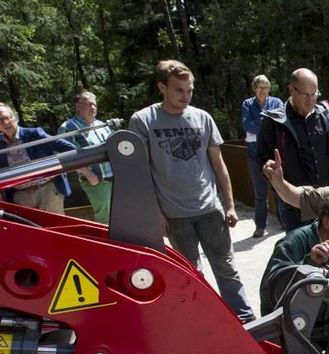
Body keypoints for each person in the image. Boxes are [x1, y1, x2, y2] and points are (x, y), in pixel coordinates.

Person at [129, 59, 256, 323]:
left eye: (189, 90)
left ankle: (245, 319)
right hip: (175, 213)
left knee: (226, 267)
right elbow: (139, 173)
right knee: (189, 274)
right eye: (179, 90)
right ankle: (202, 321)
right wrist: (156, 215)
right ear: (162, 87)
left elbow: (219, 165)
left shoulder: (202, 118)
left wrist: (230, 205)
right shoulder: (143, 121)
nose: (185, 96)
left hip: (210, 208)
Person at [258, 193, 329, 352]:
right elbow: (271, 289)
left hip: (326, 333)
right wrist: (309, 263)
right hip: (289, 329)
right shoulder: (295, 241)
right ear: (327, 221)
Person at [257, 68, 329, 232]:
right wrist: (268, 167)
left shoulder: (326, 116)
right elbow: (262, 157)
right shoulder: (274, 121)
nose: (311, 100)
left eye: (314, 94)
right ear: (292, 89)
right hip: (294, 204)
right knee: (303, 252)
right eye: (306, 95)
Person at [0, 102, 80, 214]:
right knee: (30, 230)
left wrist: (80, 167)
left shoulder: (34, 134)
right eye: (0, 120)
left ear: (15, 117)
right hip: (21, 196)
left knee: (54, 226)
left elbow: (66, 147)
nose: (5, 123)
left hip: (46, 189)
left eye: (6, 117)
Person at [58, 91, 117, 223]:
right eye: (88, 104)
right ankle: (105, 243)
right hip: (96, 181)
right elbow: (65, 157)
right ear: (77, 106)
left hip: (115, 178)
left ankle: (122, 243)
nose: (92, 107)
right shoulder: (68, 127)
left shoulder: (101, 125)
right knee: (104, 218)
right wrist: (87, 173)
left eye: (94, 104)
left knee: (120, 212)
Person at [241, 75, 284, 237]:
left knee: (279, 189)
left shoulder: (277, 103)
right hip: (254, 154)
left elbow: (279, 123)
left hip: (273, 153)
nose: (262, 90)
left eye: (265, 87)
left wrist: (260, 121)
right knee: (260, 194)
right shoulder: (247, 104)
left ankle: (284, 221)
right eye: (259, 87)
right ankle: (260, 226)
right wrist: (267, 118)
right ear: (254, 88)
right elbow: (247, 125)